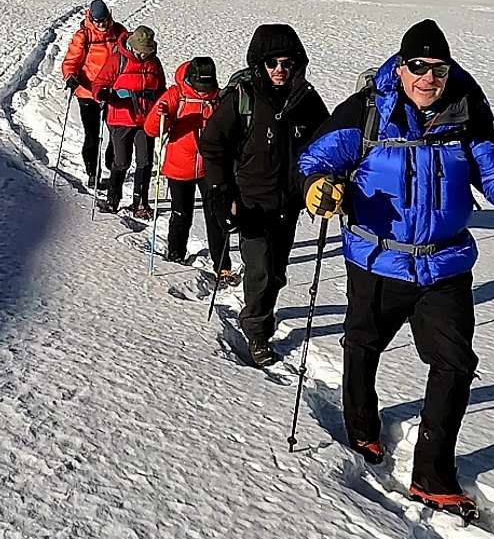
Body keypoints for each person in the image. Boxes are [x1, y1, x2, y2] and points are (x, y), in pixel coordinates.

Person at [296, 18, 494, 518]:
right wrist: (318, 188)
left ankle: (433, 474)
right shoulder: (367, 111)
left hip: (444, 265)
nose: (429, 78)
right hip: (377, 259)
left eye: (439, 69)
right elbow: (313, 161)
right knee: (363, 343)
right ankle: (360, 427)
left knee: (455, 365)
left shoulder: (465, 116)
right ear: (401, 67)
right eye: (419, 66)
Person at [197, 24, 328, 368]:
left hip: (289, 203)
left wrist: (325, 181)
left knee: (277, 272)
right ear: (259, 64)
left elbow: (327, 144)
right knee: (261, 272)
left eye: (287, 63)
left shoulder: (306, 100)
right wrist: (221, 191)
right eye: (272, 63)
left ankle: (259, 313)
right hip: (251, 203)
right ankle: (257, 333)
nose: (280, 70)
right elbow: (213, 144)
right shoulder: (243, 98)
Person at [143, 56, 229, 274]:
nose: (203, 92)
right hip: (180, 166)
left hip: (210, 166)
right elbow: (151, 130)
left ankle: (222, 265)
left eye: (206, 87)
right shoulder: (176, 94)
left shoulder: (218, 98)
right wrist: (162, 117)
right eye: (199, 87)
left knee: (215, 215)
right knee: (181, 213)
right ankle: (175, 253)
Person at [98, 25, 166, 217]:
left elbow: (161, 89)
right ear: (133, 46)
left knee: (145, 162)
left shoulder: (154, 63)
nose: (144, 55)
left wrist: (163, 105)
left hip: (145, 120)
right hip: (121, 118)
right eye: (141, 51)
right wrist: (102, 93)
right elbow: (100, 83)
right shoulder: (117, 59)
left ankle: (141, 204)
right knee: (122, 162)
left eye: (147, 51)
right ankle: (113, 199)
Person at [59, 0, 127, 186]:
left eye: (105, 20)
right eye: (98, 21)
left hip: (112, 92)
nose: (102, 24)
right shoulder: (84, 36)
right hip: (87, 93)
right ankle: (92, 172)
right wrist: (70, 76)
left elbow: (128, 55)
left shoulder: (119, 32)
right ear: (91, 19)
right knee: (92, 135)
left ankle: (111, 166)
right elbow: (71, 60)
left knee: (116, 133)